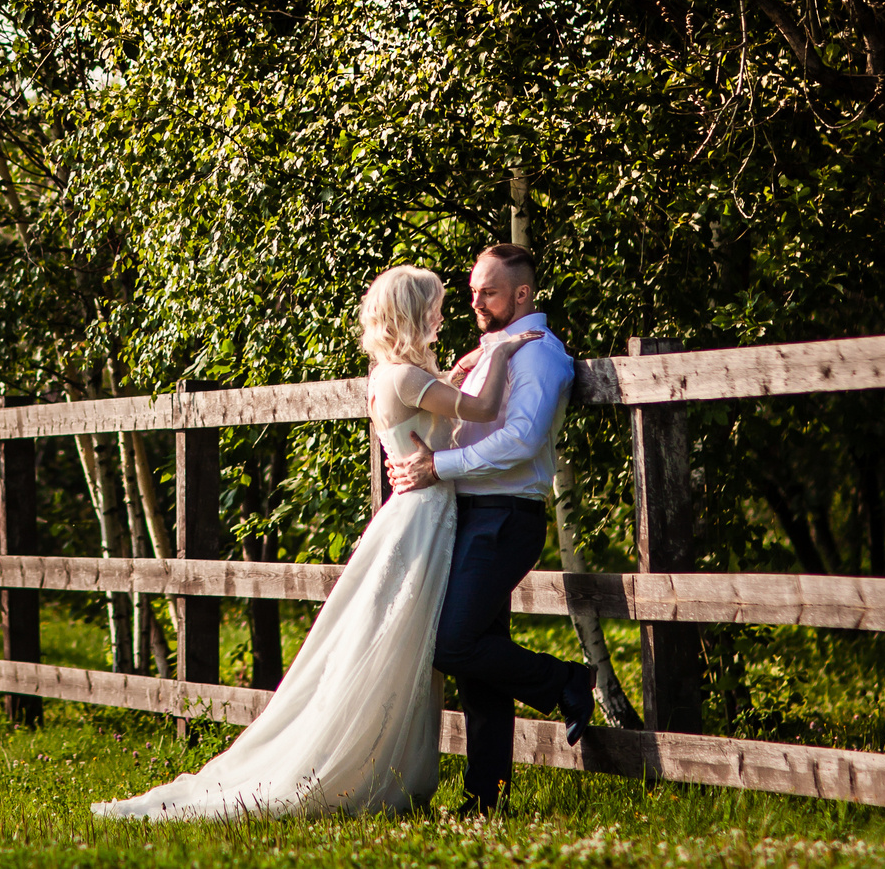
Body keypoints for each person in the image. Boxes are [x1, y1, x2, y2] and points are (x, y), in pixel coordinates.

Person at [91, 265, 538, 820]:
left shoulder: (389, 375)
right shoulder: (404, 378)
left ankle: (392, 764)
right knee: (403, 642)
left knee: (408, 642)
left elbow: (434, 398)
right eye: (437, 306)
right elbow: (483, 409)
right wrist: (500, 352)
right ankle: (362, 766)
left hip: (421, 513)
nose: (444, 314)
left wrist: (464, 364)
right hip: (425, 516)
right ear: (414, 313)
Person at [386, 242, 593, 818]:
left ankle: (568, 683)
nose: (475, 299)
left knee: (454, 643)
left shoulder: (539, 354)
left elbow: (523, 440)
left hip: (505, 516)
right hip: (466, 514)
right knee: (481, 655)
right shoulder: (491, 351)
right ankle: (485, 799)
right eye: (473, 289)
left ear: (522, 295)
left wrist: (437, 466)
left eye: (489, 291)